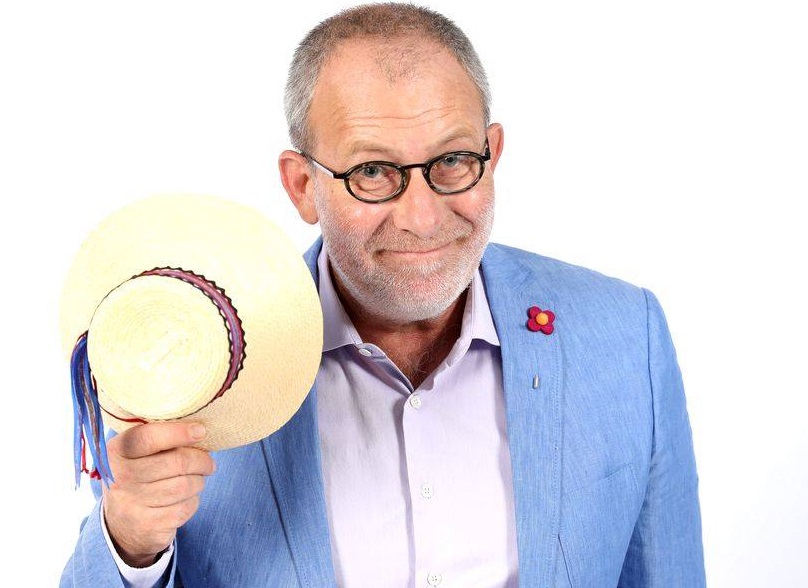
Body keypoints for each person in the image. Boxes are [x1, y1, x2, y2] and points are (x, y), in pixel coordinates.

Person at [62, 3, 705, 587]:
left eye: (452, 160)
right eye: (372, 171)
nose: (422, 218)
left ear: (493, 153)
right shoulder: (194, 363)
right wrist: (131, 544)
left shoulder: (628, 336)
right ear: (302, 186)